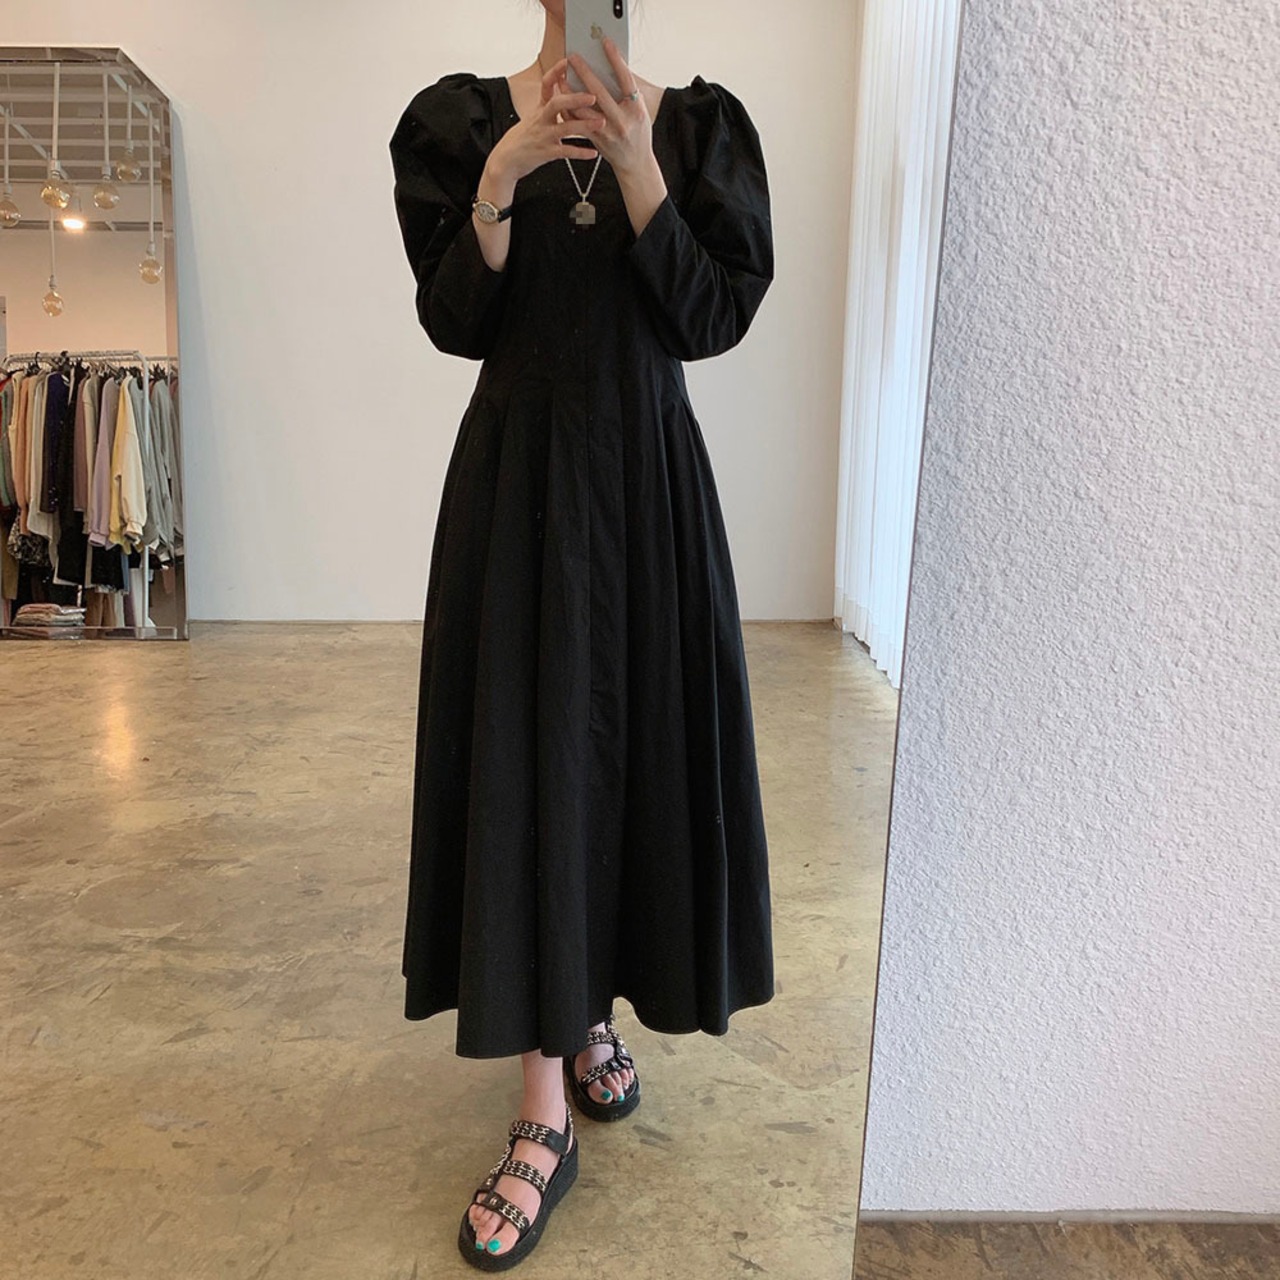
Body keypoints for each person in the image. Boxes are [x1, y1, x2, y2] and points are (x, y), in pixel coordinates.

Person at [388, 0, 776, 1267]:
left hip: (649, 492)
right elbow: (455, 322)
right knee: (532, 764)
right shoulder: (458, 125)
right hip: (519, 489)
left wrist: (639, 170)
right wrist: (501, 178)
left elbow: (709, 321)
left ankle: (590, 1009)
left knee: (629, 758)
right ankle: (540, 1108)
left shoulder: (697, 132)